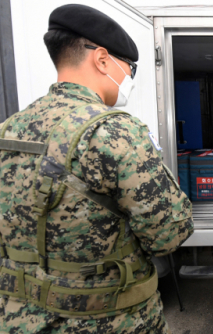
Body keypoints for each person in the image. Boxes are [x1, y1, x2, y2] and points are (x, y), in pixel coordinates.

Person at [0, 4, 193, 334]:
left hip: (19, 318)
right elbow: (168, 235)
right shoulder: (117, 132)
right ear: (102, 60)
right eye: (130, 68)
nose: (130, 78)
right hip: (108, 320)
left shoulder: (8, 130)